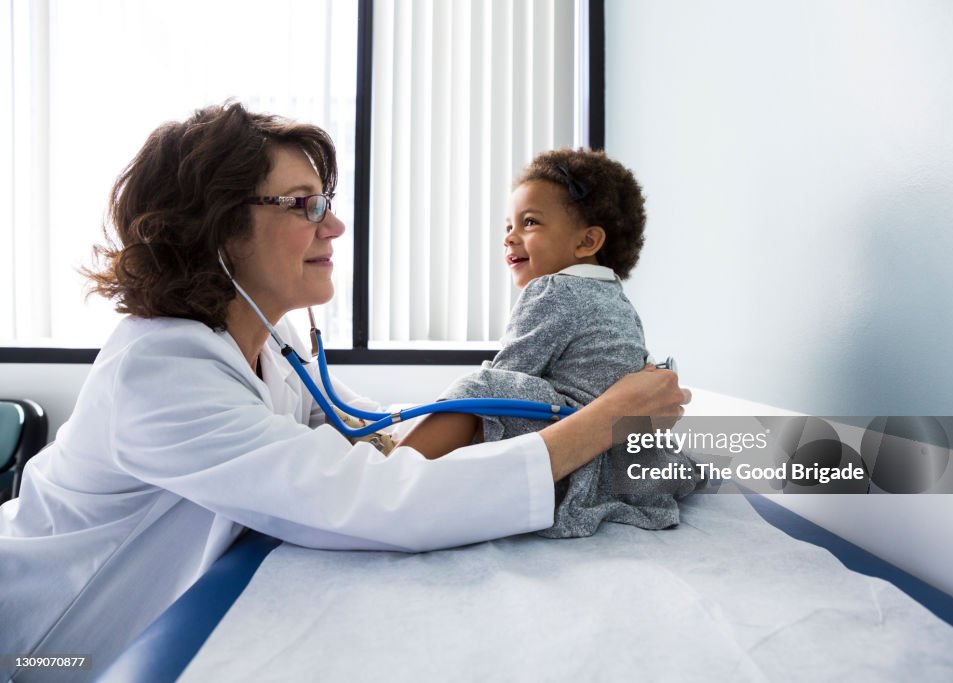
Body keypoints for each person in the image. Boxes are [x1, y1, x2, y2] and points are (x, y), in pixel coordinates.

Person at [0, 102, 688, 677]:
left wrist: (434, 427)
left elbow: (356, 424)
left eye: (325, 202)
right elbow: (370, 499)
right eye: (305, 205)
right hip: (42, 642)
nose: (334, 225)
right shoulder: (158, 372)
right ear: (215, 226)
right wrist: (601, 420)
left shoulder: (266, 343)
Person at [399, 149, 699, 538]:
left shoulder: (553, 289)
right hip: (617, 460)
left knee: (477, 390)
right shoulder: (617, 298)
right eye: (508, 225)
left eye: (529, 222)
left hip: (574, 454)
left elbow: (510, 375)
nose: (510, 236)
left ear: (586, 241)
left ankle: (396, 465)